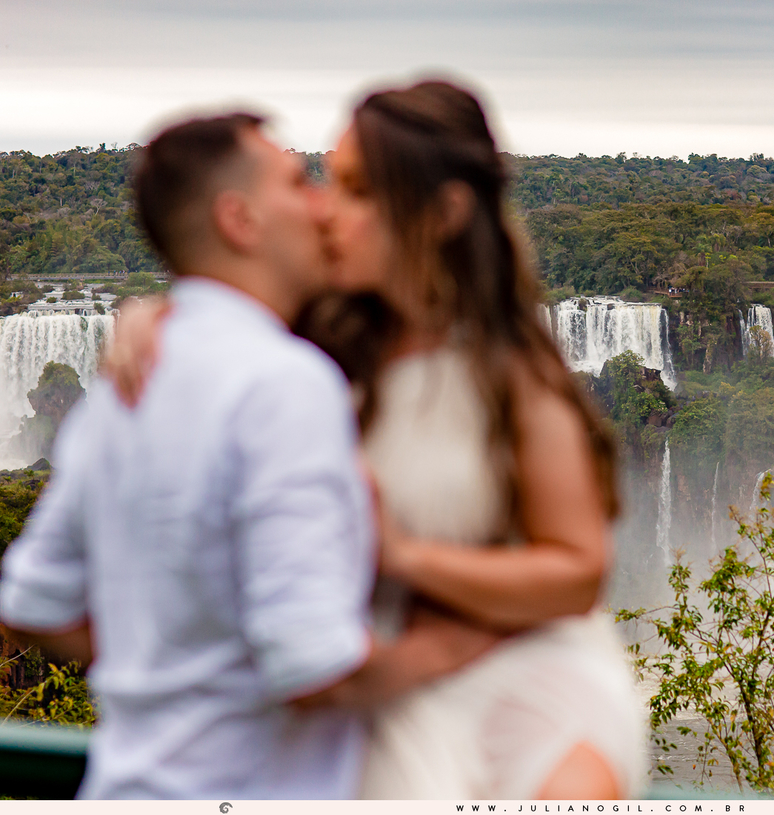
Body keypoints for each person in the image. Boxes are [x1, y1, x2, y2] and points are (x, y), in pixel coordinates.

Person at [108, 82, 647, 799]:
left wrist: (408, 557)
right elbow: (223, 313)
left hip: (519, 668)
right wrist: (153, 315)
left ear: (439, 215)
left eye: (358, 191)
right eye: (328, 180)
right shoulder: (309, 342)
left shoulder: (510, 373)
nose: (328, 209)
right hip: (372, 683)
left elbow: (578, 571)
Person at [0, 114, 494, 799]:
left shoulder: (120, 392)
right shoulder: (283, 384)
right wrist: (462, 644)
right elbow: (315, 666)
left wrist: (167, 662)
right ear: (240, 220)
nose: (320, 201)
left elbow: (33, 598)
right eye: (297, 181)